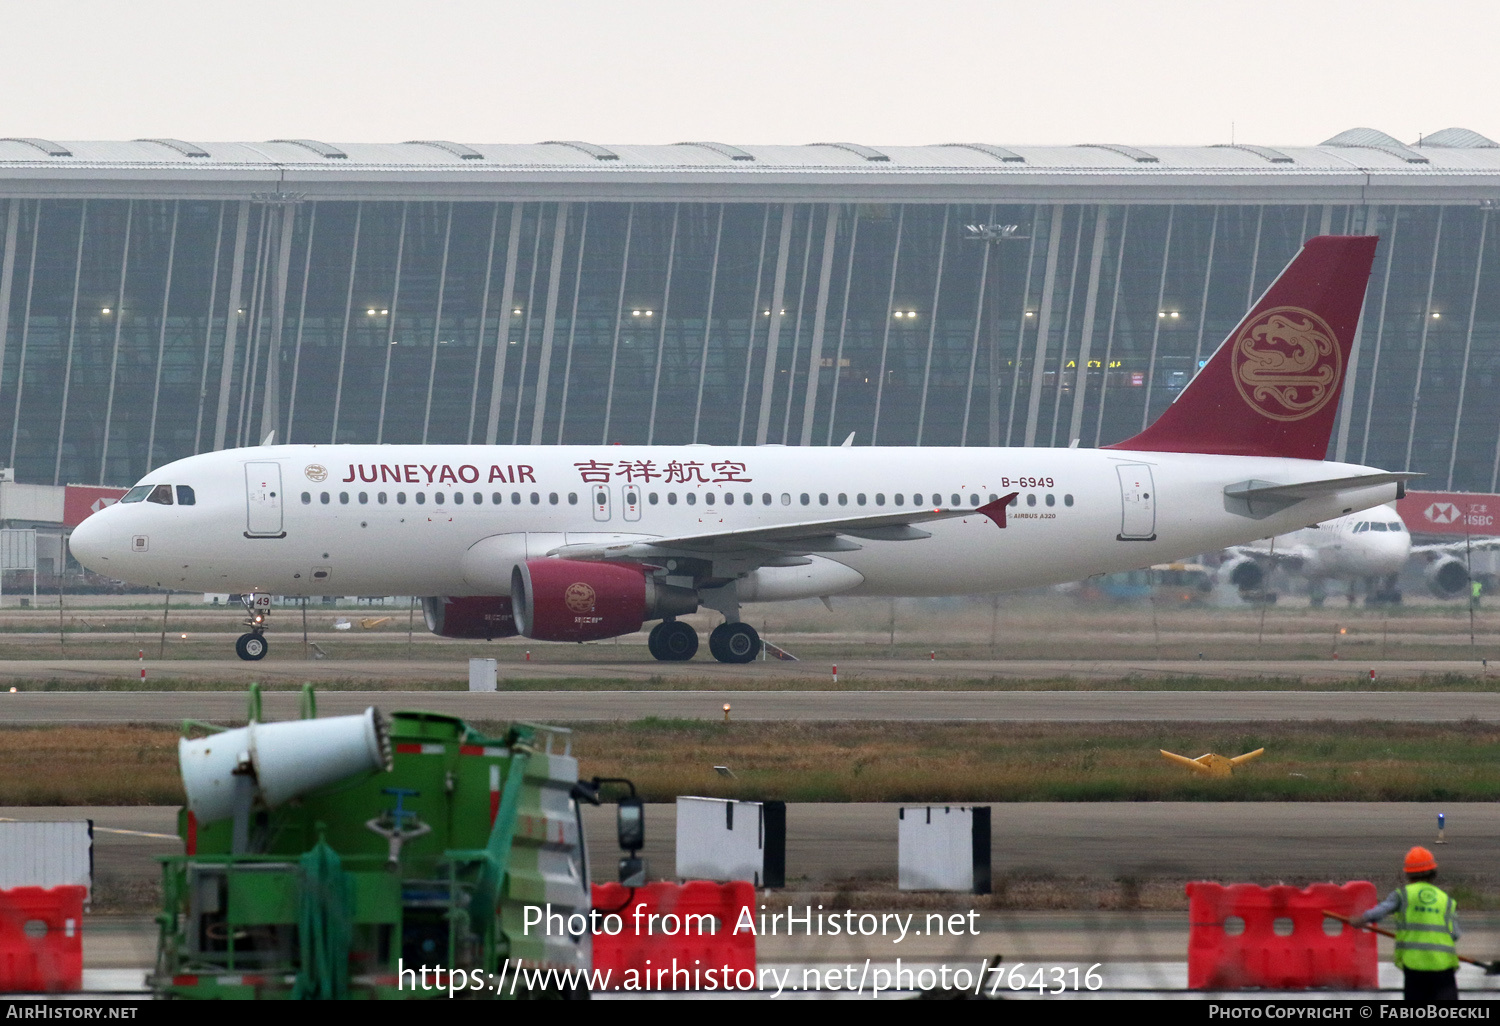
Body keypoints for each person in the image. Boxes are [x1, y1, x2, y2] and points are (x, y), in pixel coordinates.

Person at [1354, 846, 1460, 1001]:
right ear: (1433, 873)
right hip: (1443, 966)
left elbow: (1381, 910)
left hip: (1415, 965)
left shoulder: (1403, 895)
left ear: (1408, 874)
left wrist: (1361, 919)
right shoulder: (1445, 900)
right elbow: (1454, 934)